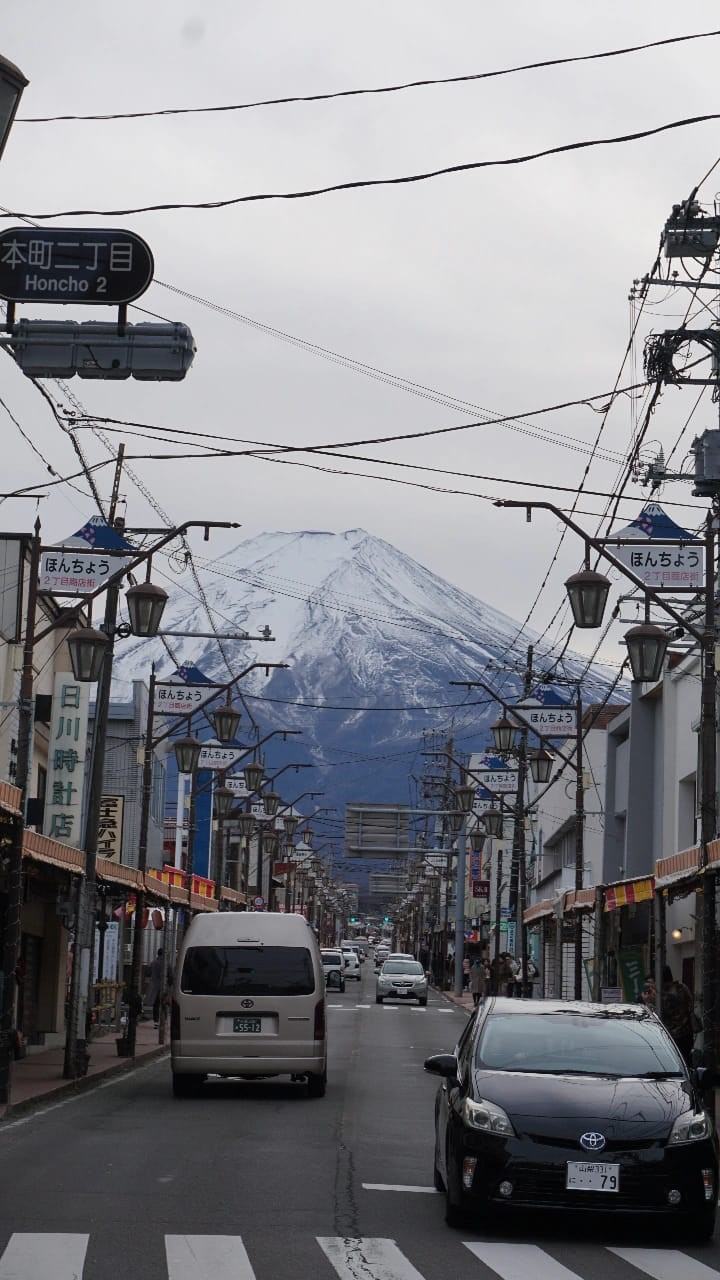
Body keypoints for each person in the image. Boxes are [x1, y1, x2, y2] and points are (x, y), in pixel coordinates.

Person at [660, 964, 696, 1065]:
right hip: (687, 1032)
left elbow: (663, 1013)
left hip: (673, 1035)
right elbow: (690, 1004)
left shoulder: (665, 995)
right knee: (686, 1061)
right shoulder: (683, 987)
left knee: (674, 1063)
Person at [146, 948, 164, 1027]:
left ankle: (156, 1022)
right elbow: (171, 975)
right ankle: (163, 1020)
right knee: (164, 1004)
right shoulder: (166, 963)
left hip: (154, 987)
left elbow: (148, 973)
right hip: (163, 987)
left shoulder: (153, 963)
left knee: (156, 1005)